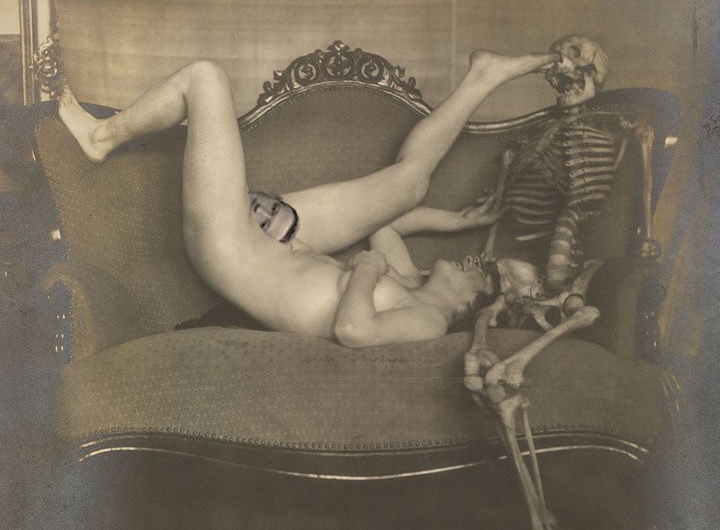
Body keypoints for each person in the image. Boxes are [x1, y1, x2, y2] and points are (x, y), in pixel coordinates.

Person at [57, 49, 557, 347]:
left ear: (471, 303)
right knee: (407, 185)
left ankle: (102, 138)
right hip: (281, 235)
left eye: (483, 269)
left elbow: (355, 331)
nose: (476, 259)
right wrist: (455, 221)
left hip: (231, 248)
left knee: (205, 77)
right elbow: (387, 224)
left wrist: (366, 270)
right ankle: (484, 76)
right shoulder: (411, 281)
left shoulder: (428, 320)